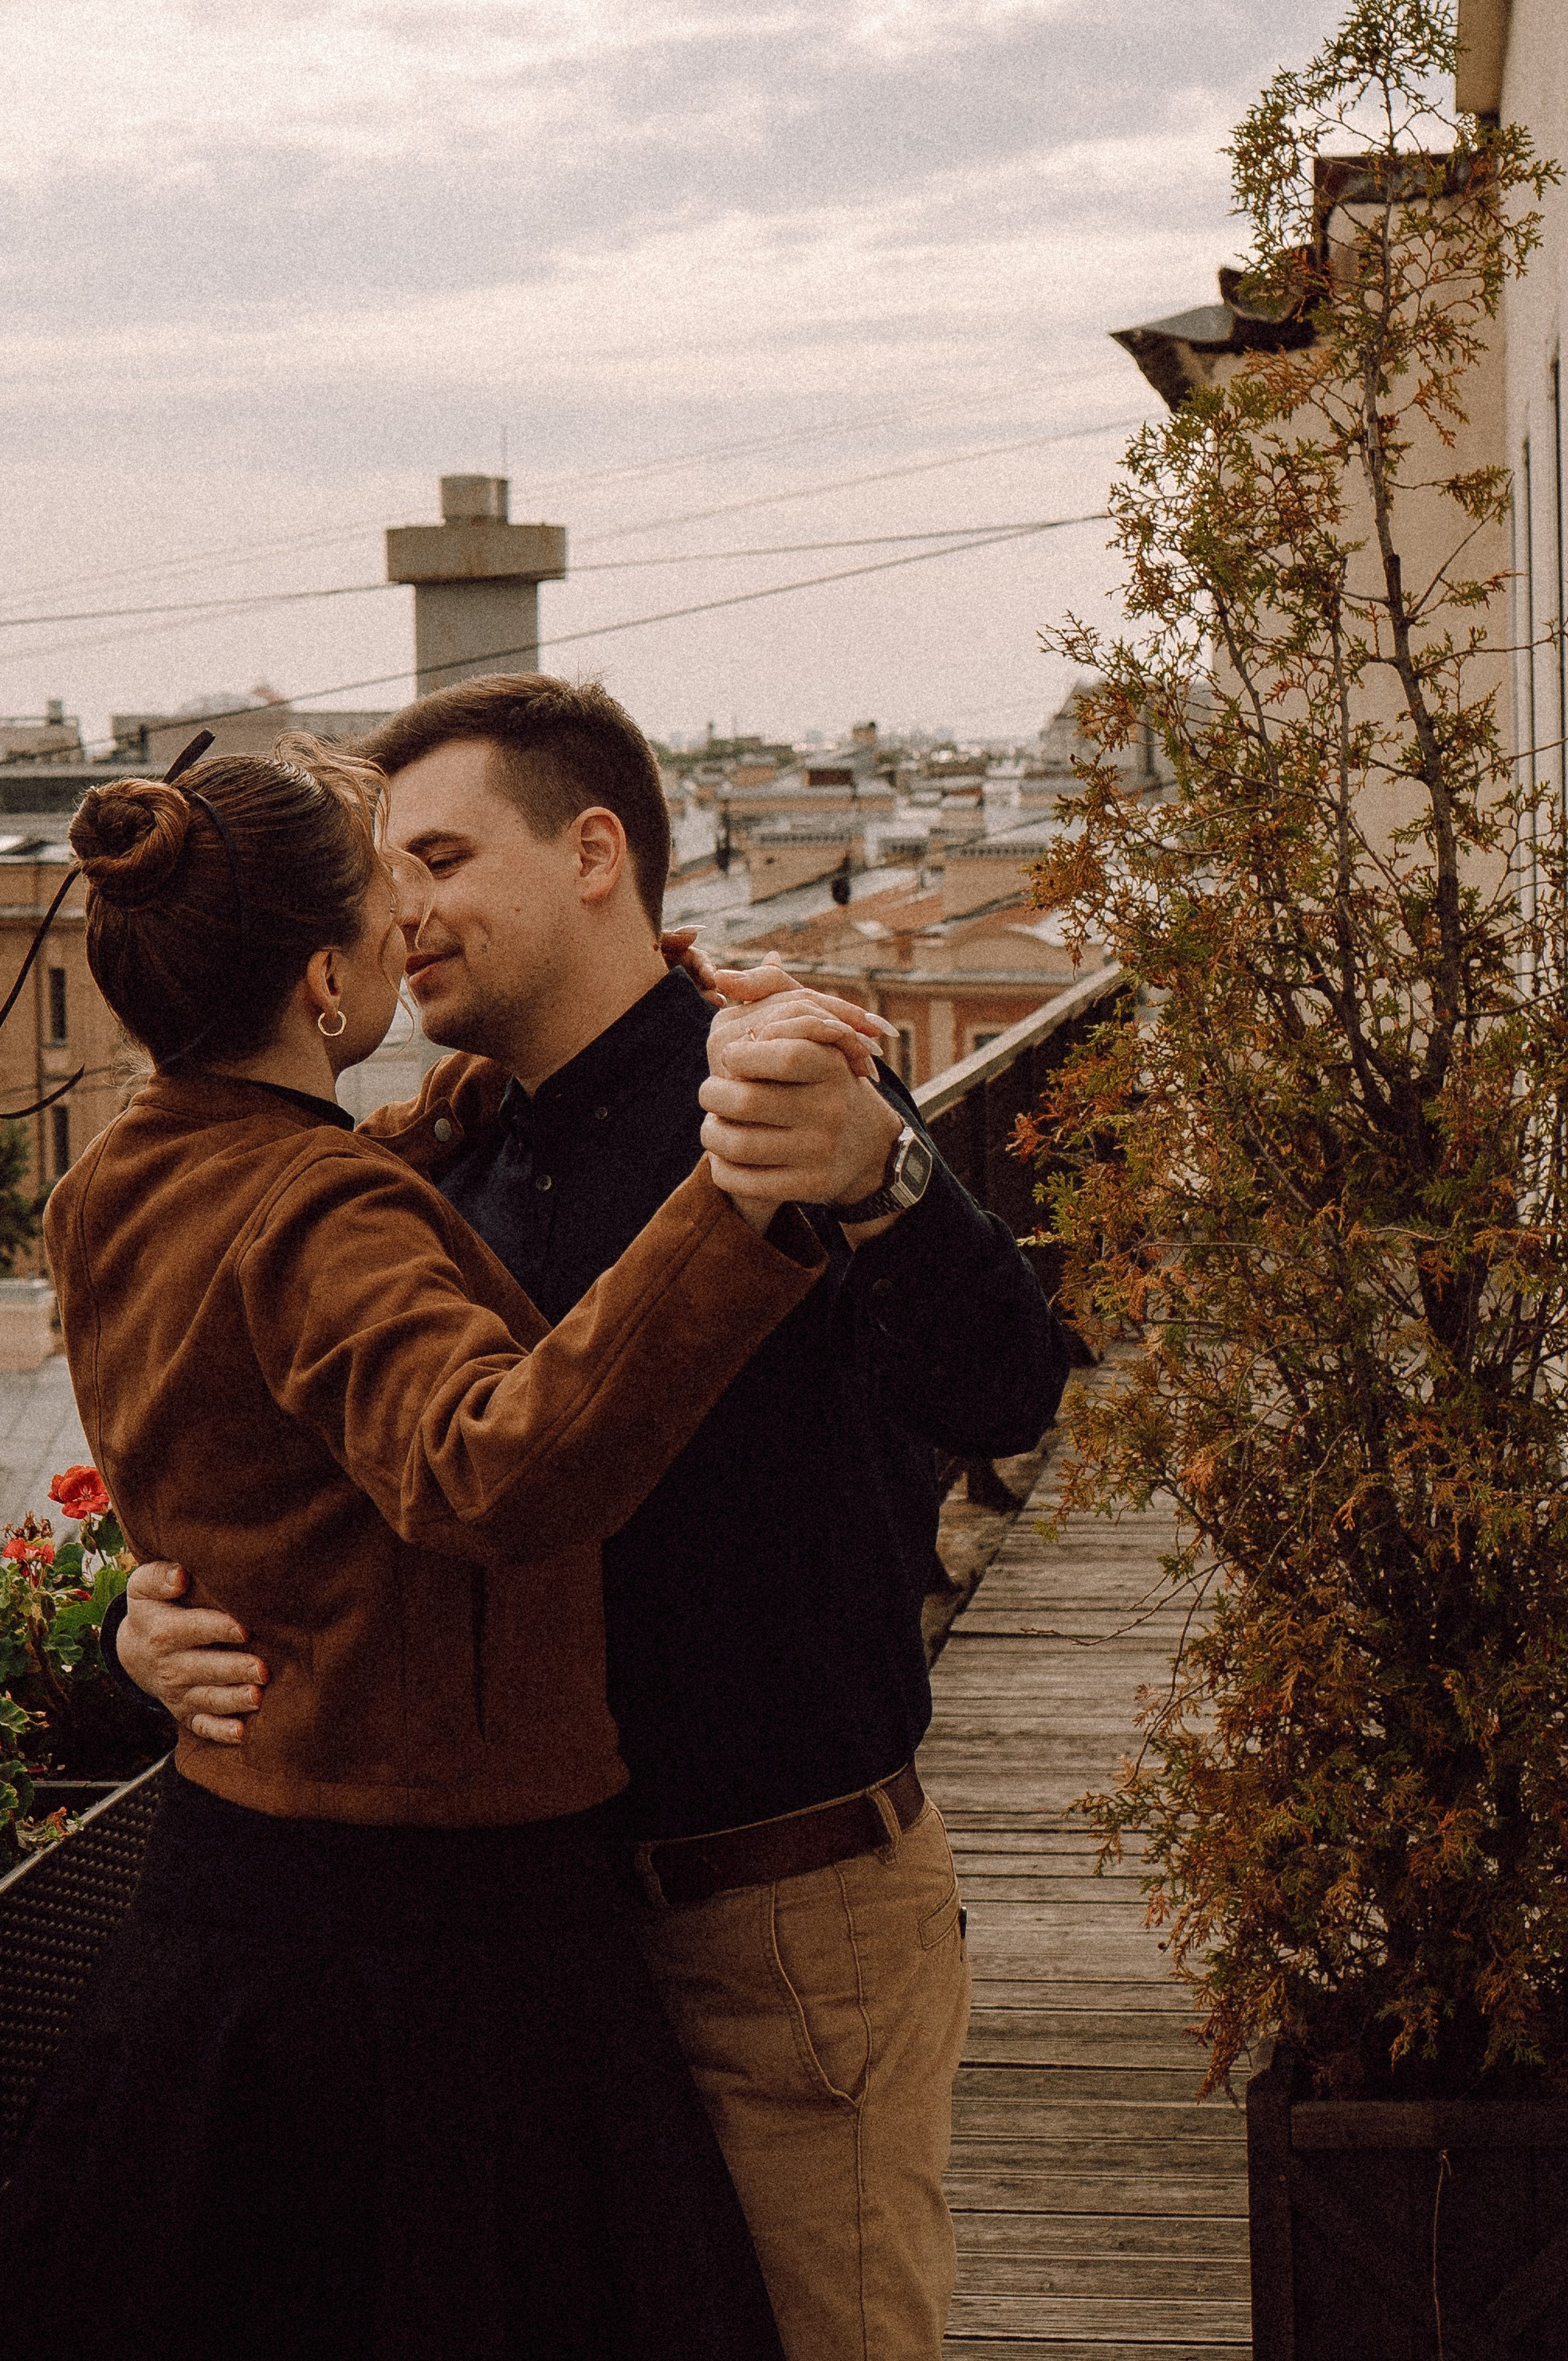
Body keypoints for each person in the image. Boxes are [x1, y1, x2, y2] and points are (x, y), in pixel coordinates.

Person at [118, 677, 1070, 2361]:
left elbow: (1008, 1393)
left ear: (592, 853)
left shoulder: (772, 1088)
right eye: (384, 875)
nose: (402, 912)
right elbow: (290, 1462)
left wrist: (883, 1171)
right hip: (517, 1960)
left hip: (777, 1928)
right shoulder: (431, 1165)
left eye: (440, 859)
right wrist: (144, 1619)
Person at [0, 738, 878, 2361]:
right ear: (326, 982)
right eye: (387, 902)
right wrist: (733, 1204)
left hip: (223, 1910)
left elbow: (278, 1242)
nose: (411, 925)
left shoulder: (113, 1181)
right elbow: (487, 1468)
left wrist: (461, 1095)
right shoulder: (322, 1214)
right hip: (440, 1953)